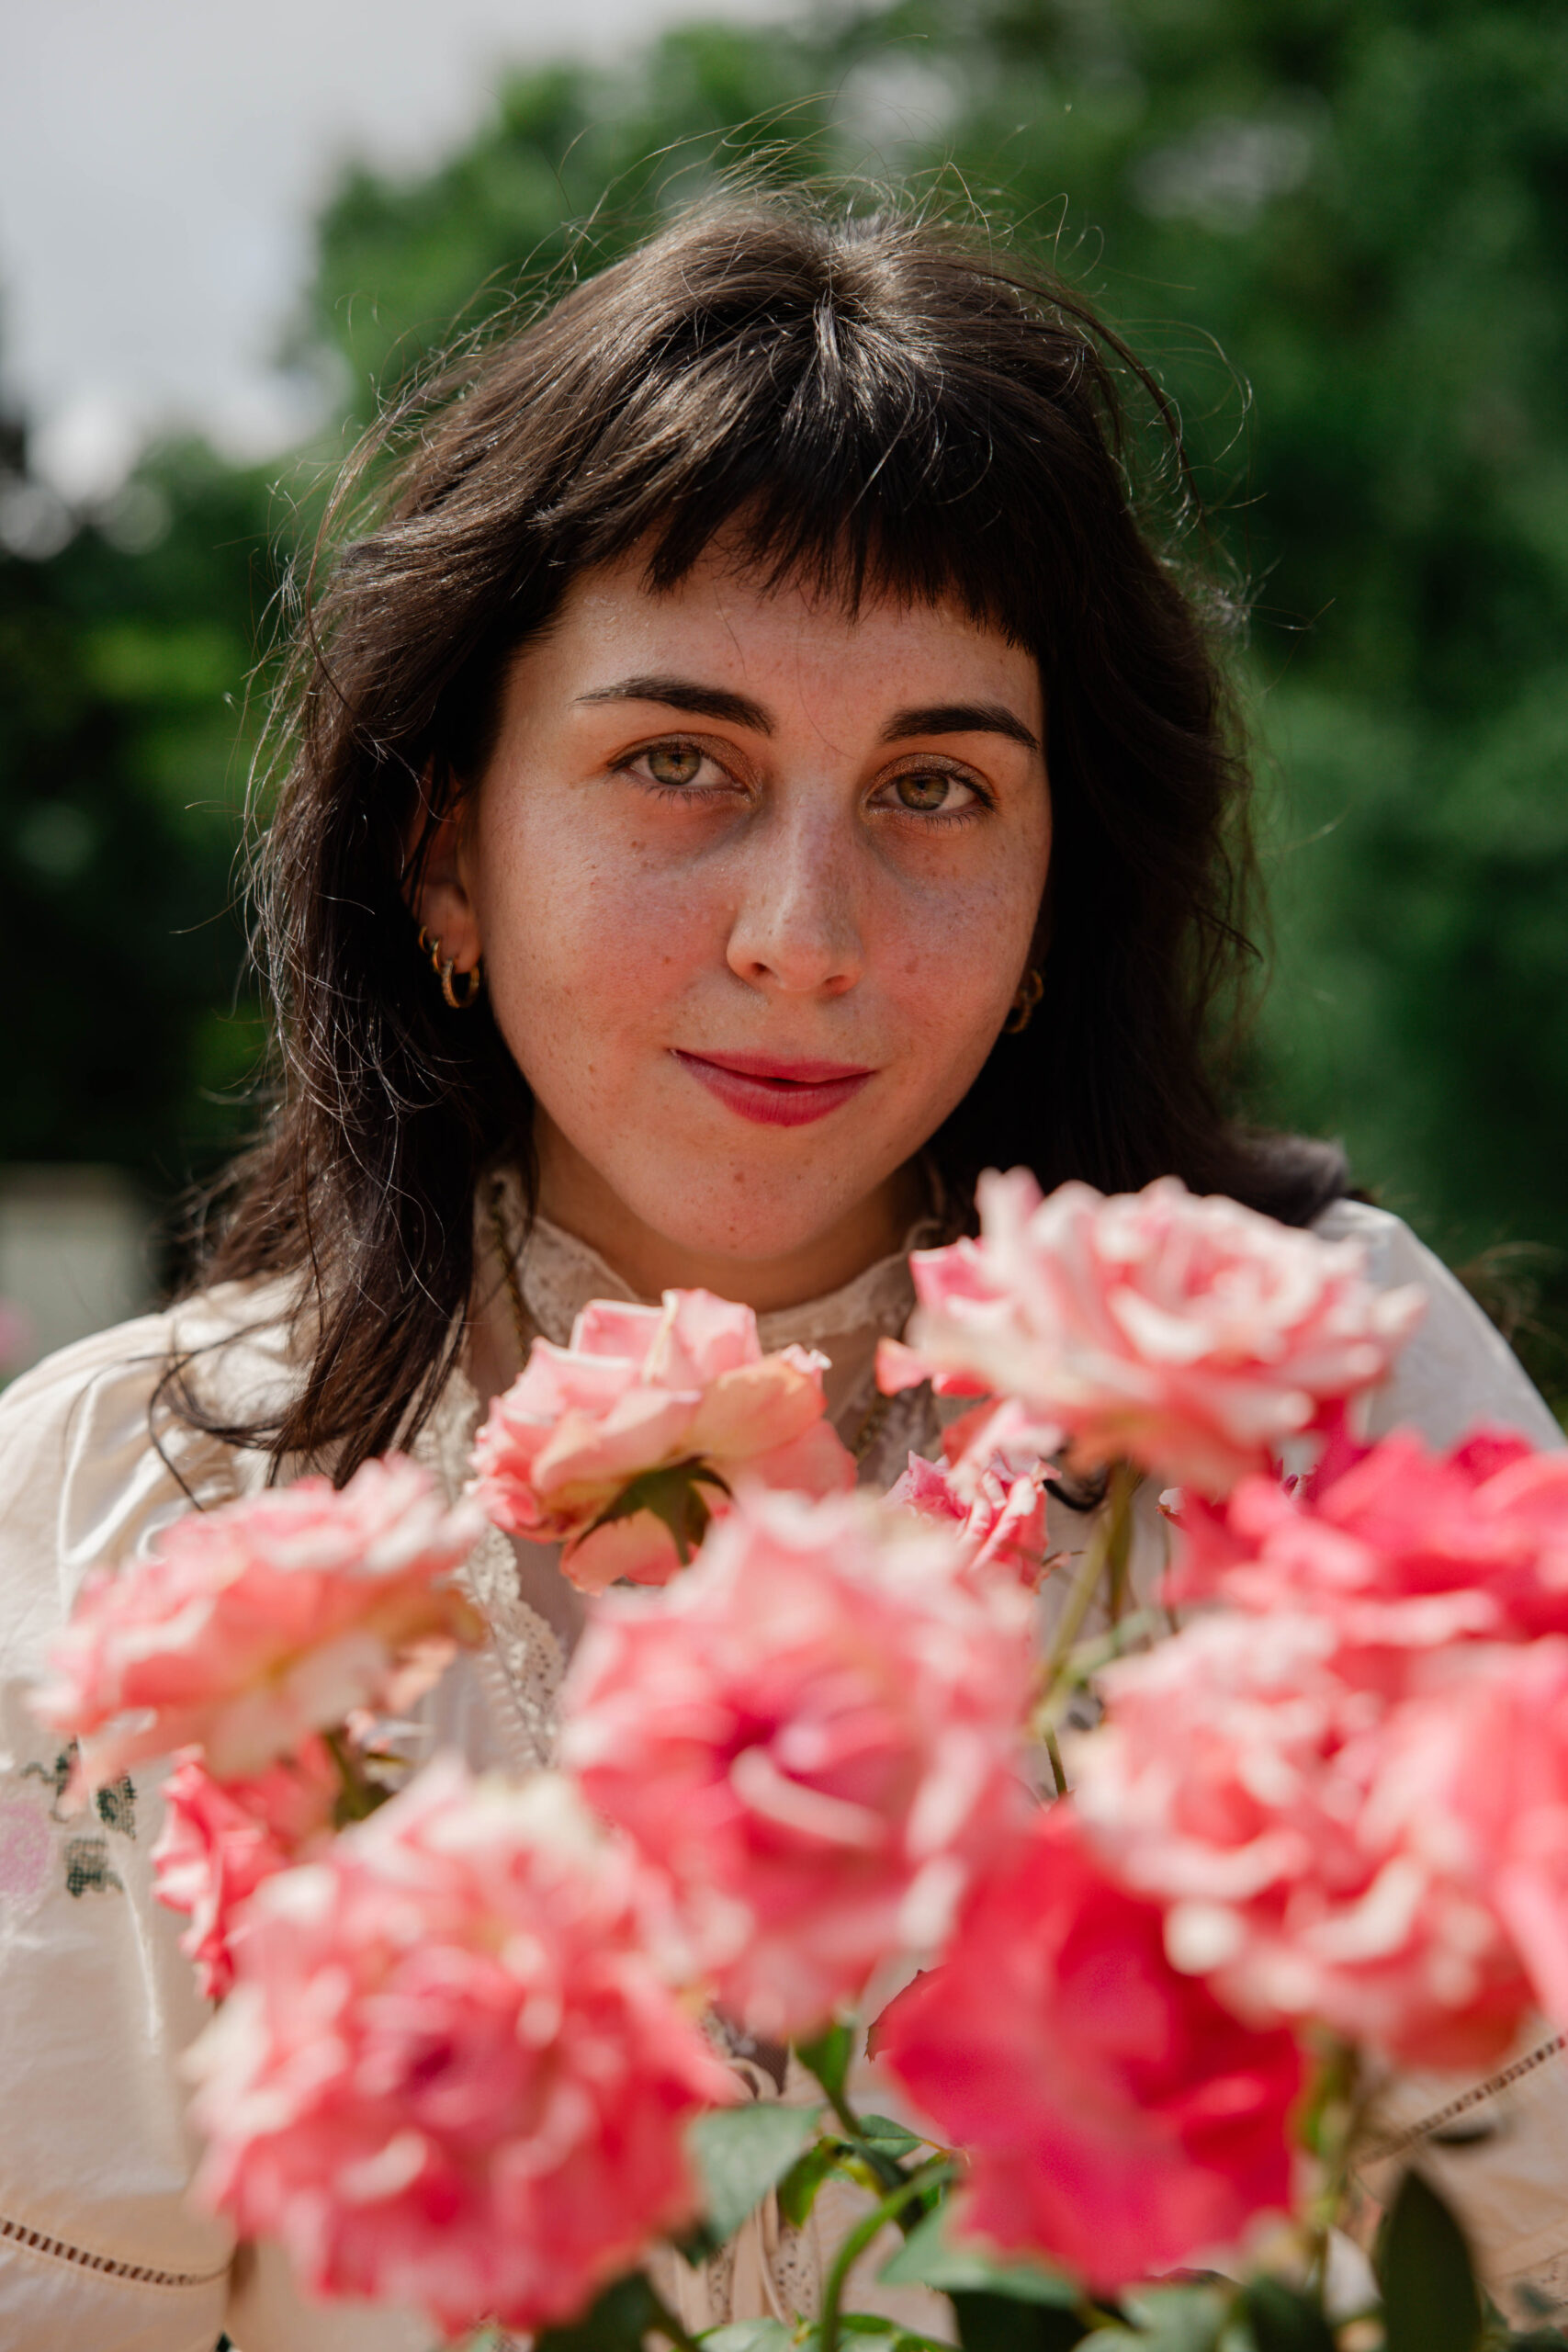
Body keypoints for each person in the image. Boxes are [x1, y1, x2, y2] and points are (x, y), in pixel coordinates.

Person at [0, 190, 1560, 2352]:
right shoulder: (130, 1520)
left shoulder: (1337, 1399)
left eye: (933, 785)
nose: (802, 929)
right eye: (678, 764)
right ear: (445, 843)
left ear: (1049, 897)